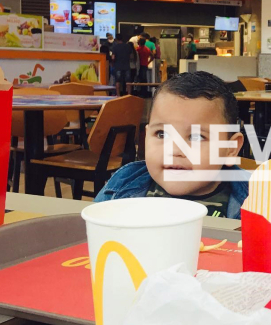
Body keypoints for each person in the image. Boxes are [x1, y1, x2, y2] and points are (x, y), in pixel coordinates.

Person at [95, 72, 249, 219]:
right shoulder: (123, 185)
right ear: (147, 136)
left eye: (196, 137)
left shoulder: (255, 201)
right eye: (162, 134)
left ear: (230, 148)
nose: (174, 150)